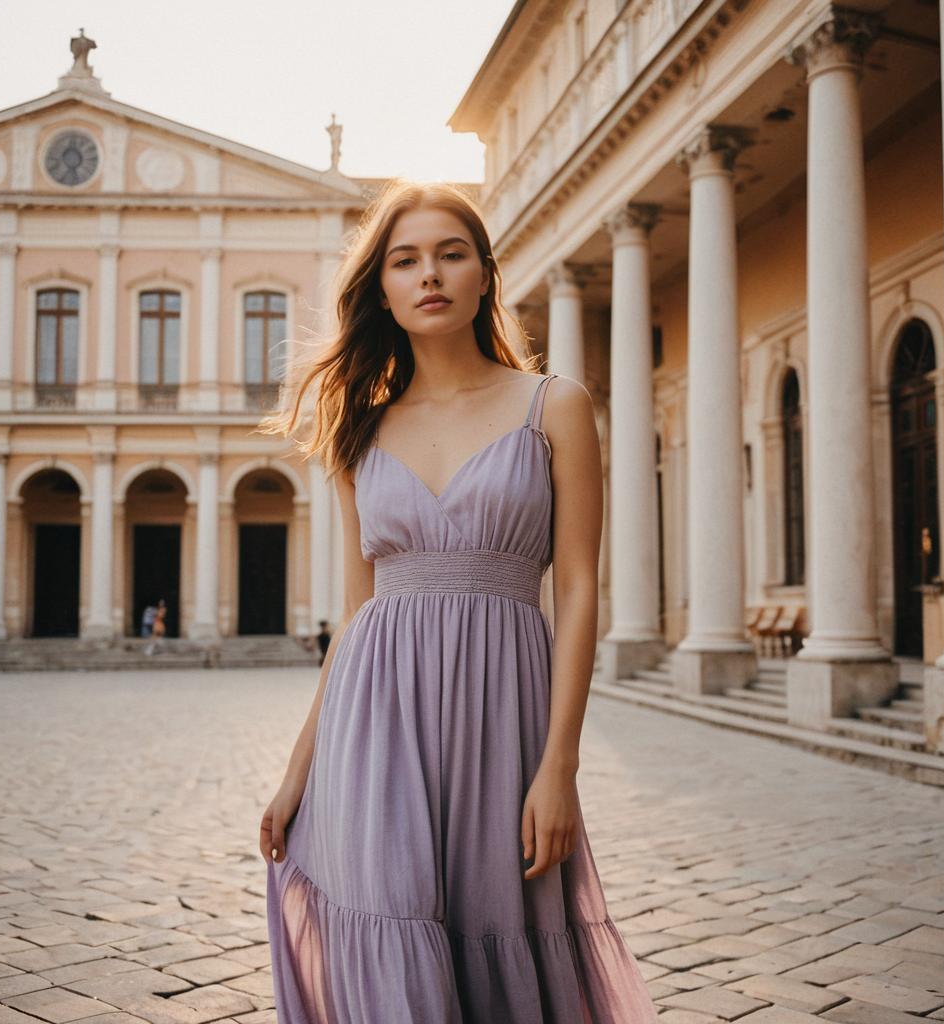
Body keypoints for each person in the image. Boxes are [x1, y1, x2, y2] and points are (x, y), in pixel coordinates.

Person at [256, 179, 656, 1021]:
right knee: (391, 927)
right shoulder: (357, 430)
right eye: (405, 261)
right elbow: (357, 615)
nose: (429, 275)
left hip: (502, 719)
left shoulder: (554, 406)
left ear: (485, 274)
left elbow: (577, 588)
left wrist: (560, 765)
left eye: (450, 254)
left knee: (497, 924)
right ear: (383, 291)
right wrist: (298, 771)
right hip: (375, 724)